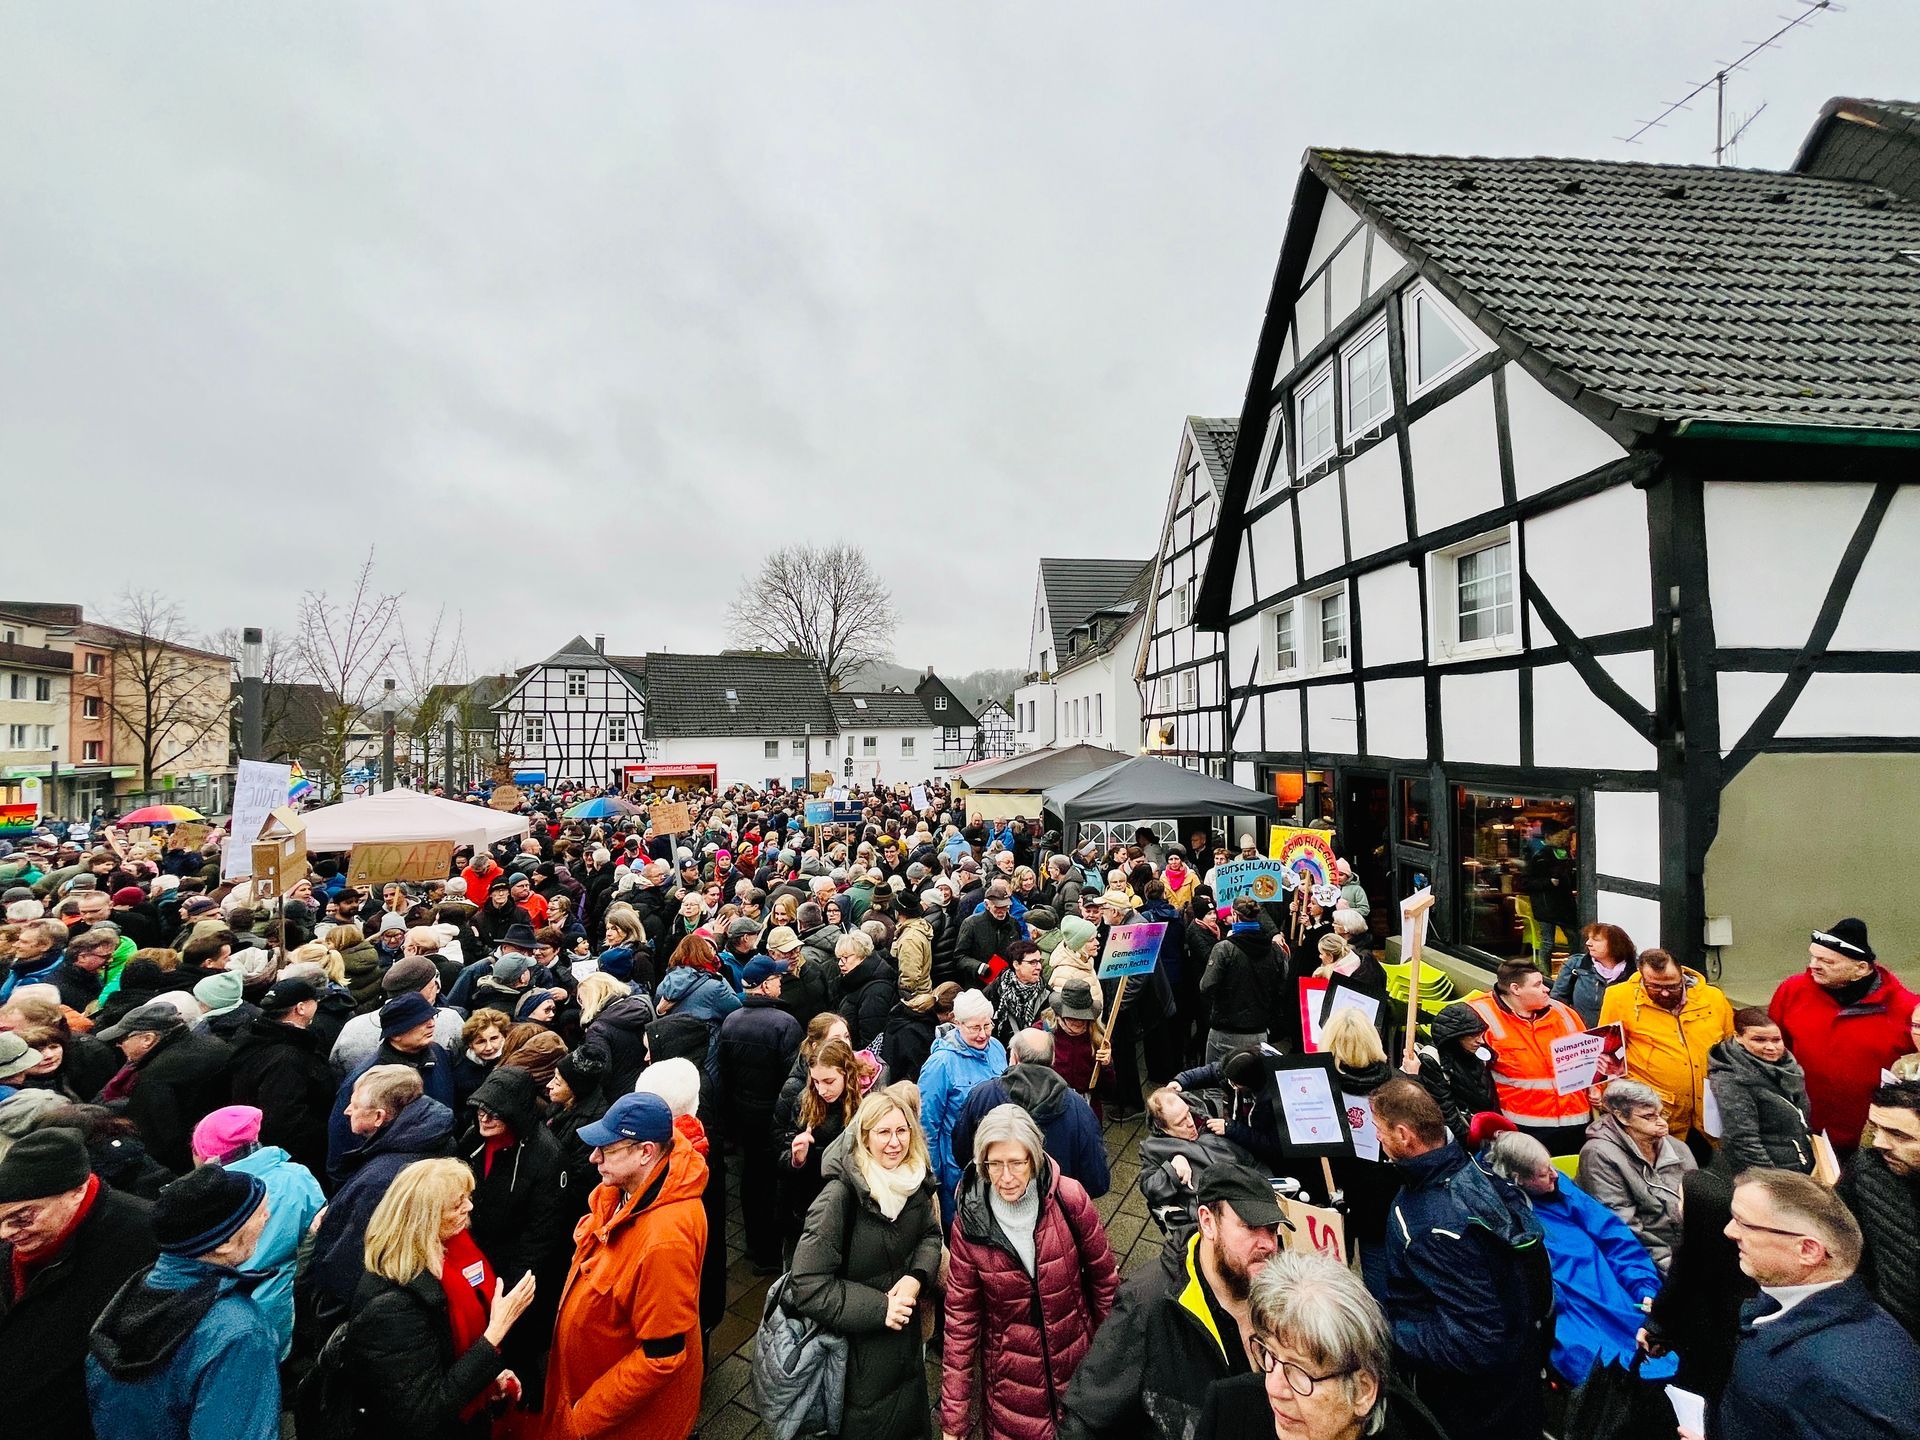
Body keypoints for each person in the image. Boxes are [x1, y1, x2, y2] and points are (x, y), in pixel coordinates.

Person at [1368, 1078, 1550, 1440]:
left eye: (1379, 1130)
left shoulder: (1433, 1226)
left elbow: (1476, 1339)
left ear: (1405, 1135)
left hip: (1467, 1408)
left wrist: (1386, 1334)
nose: (1377, 1139)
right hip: (1517, 1382)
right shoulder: (1477, 1174)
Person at [1056, 1161, 1284, 1440]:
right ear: (1208, 1222)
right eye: (1251, 1226)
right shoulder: (1148, 1303)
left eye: (1273, 1229)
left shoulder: (1279, 1295)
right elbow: (1086, 1423)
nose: (1269, 1244)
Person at [939, 1103, 1119, 1440]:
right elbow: (961, 1321)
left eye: (1016, 1163)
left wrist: (1112, 1363)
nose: (1006, 1178)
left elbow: (1105, 1282)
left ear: (1033, 1159)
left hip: (1079, 1369)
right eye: (994, 1164)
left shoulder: (1070, 1199)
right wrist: (954, 1420)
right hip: (1010, 1391)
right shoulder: (970, 1223)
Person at [1702, 1167, 1920, 1440]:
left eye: (1744, 1223)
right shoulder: (1787, 1305)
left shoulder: (1838, 1380)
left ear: (1807, 1250)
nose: (1729, 1231)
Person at [541, 1092, 709, 1440]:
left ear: (646, 1151)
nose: (593, 1158)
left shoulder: (665, 1240)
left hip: (626, 1423)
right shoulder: (630, 1187)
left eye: (607, 1149)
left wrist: (583, 1419)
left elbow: (662, 1354)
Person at [788, 1084, 943, 1440]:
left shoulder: (914, 1179)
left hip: (905, 1346)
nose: (895, 1142)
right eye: (884, 1132)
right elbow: (808, 1285)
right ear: (864, 1137)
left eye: (902, 1131)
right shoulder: (838, 1198)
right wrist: (880, 1309)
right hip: (854, 1356)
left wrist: (917, 1276)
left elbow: (930, 1236)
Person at [348, 1157, 540, 1439]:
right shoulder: (393, 1307)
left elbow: (447, 1354)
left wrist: (487, 1379)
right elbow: (423, 1415)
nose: (470, 1207)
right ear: (427, 1218)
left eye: (468, 1198)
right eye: (458, 1203)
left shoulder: (448, 1251)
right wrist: (495, 1333)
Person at [85, 1164, 281, 1440]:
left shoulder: (132, 1296)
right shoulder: (239, 1333)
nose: (267, 1218)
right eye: (259, 1214)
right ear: (223, 1242)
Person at [0, 1127, 157, 1438]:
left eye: (21, 1218)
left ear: (77, 1191)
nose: (5, 1234)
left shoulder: (145, 1240)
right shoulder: (15, 1249)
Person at [1193, 1252, 1451, 1440]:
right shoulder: (1230, 1411)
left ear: (1362, 1390)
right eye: (1270, 1354)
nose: (1273, 1387)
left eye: (1299, 1371)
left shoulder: (1417, 1430)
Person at [1482, 1129, 1670, 1386]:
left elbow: (1614, 1237)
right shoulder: (1494, 1216)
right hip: (1568, 1313)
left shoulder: (1560, 1190)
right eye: (1543, 1174)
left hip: (1611, 1294)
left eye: (1550, 1166)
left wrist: (1644, 1288)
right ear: (1518, 1180)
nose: (1555, 1175)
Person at [310, 1066, 457, 1315]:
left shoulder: (380, 1179)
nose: (346, 1111)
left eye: (354, 1106)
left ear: (379, 1117)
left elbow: (347, 1264)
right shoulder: (432, 1138)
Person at [461, 1064, 571, 1388]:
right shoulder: (474, 1140)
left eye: (495, 1111)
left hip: (512, 1281)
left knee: (517, 1355)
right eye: (481, 1108)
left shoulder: (548, 1158)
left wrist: (504, 1292)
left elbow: (540, 1239)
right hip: (478, 1264)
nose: (485, 1117)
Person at [1768, 917, 1918, 1154]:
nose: (1813, 965)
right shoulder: (1792, 990)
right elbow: (1773, 1051)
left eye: (1827, 961)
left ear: (1861, 968)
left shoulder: (1906, 1009)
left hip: (1872, 1138)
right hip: (1803, 1128)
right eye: (1813, 957)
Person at [188, 1105, 324, 1362]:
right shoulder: (298, 1177)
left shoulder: (205, 1197)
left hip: (215, 1317)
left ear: (206, 1154)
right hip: (281, 1305)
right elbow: (314, 1240)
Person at [1598, 946, 1733, 1152]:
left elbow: (1730, 1048)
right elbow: (1607, 1053)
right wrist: (1607, 1099)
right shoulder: (1619, 997)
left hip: (1709, 1115)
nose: (1663, 992)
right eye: (1654, 986)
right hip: (1656, 1116)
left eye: (1672, 986)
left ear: (1683, 975)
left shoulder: (1713, 998)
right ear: (1641, 977)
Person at [950, 1026, 1110, 1199]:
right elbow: (1097, 1181)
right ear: (1053, 1058)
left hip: (995, 1201)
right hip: (1055, 1209)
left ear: (1014, 1058)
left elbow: (962, 1152)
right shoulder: (1079, 1108)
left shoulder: (982, 1096)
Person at [716, 954, 802, 1274]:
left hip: (744, 1117)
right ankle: (770, 1255)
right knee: (773, 1185)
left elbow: (724, 1072)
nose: (782, 982)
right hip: (774, 1119)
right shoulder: (785, 1024)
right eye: (777, 978)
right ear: (766, 985)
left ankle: (754, 1245)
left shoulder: (731, 1020)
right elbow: (793, 1079)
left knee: (751, 1180)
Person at [1639, 1169, 1753, 1405]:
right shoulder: (1721, 1255)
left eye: (1681, 1201)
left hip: (1709, 1375)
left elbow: (1681, 1301)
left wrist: (1659, 1330)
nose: (1677, 1207)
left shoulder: (1700, 1262)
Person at [1463, 958, 1590, 1156]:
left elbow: (1589, 1057)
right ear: (1516, 988)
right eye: (1538, 985)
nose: (1547, 989)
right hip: (1524, 1127)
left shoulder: (1563, 1013)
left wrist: (1597, 1089)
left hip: (1576, 1123)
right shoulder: (1479, 1015)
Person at [92, 1000, 233, 1173]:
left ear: (147, 1039)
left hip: (196, 1159)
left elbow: (159, 1142)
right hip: (229, 1137)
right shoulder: (213, 1044)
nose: (119, 1045)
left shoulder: (154, 1078)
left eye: (122, 1039)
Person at [1576, 1077, 1696, 1273]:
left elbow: (1698, 1202)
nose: (1661, 1123)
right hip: (1645, 1257)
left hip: (1687, 1248)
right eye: (1649, 1117)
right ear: (1622, 1117)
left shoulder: (1677, 1148)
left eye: (1661, 1114)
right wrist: (1669, 1264)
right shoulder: (1598, 1154)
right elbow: (1622, 1223)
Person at [226, 975, 336, 1178]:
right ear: (300, 1008)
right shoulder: (287, 1058)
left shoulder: (256, 1037)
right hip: (298, 1161)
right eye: (315, 1000)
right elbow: (285, 1118)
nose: (318, 1005)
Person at [1838, 1078, 1920, 1343]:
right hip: (1883, 1330)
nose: (1879, 1143)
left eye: (1899, 1135)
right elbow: (1842, 1241)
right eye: (1877, 1129)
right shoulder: (1867, 1169)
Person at [920, 988, 1008, 1222]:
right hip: (957, 1167)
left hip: (997, 1158)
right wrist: (934, 1174)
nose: (983, 1035)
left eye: (987, 1026)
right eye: (974, 1028)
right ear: (958, 1024)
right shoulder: (940, 1064)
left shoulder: (997, 1049)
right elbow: (927, 1124)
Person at [774, 1036, 861, 1264]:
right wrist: (796, 1158)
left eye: (829, 1081)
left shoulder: (864, 1106)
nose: (822, 1089)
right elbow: (783, 1156)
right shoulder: (805, 1101)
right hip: (809, 1205)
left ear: (846, 1073)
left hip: (849, 1207)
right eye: (816, 1082)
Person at [1707, 1006, 1814, 1174]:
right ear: (1738, 1037)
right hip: (1772, 1173)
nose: (1771, 1047)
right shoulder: (1731, 1079)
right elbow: (1744, 1141)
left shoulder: (1788, 1068)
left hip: (1797, 1163)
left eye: (1776, 1040)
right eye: (1759, 1040)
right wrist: (1770, 1180)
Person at [1198, 897, 1284, 1065]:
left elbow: (1206, 986)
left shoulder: (1224, 948)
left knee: (1215, 1085)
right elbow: (1281, 986)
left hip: (1225, 1031)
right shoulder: (1275, 950)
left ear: (1235, 915)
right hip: (1259, 1030)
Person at [1406, 1000, 1497, 1141]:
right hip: (1465, 1135)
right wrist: (1469, 1140)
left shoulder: (1476, 1052)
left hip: (1485, 1127)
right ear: (1455, 1037)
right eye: (1473, 1036)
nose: (1481, 1041)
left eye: (1480, 1034)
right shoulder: (1433, 1061)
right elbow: (1445, 1108)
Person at [1550, 921, 1635, 1027]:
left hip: (1621, 1036)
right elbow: (1557, 1000)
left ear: (1615, 945)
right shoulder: (1575, 964)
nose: (1588, 943)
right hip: (1583, 1036)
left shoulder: (1635, 972)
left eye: (1596, 940)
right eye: (1589, 938)